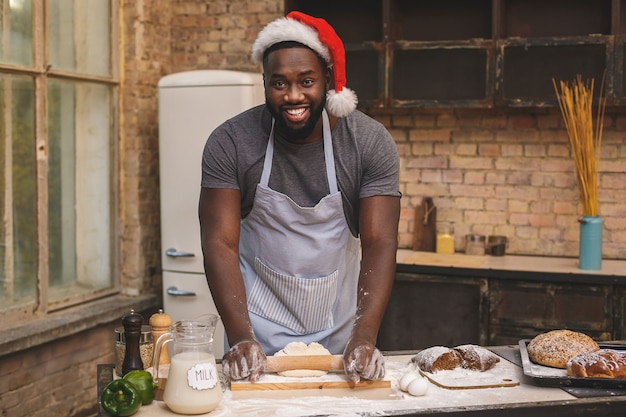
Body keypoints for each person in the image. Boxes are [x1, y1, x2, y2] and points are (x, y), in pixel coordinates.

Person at [199, 11, 401, 384]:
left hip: (340, 340)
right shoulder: (231, 142)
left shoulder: (368, 142)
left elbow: (380, 242)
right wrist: (241, 336)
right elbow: (219, 244)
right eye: (279, 83)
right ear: (264, 83)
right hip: (254, 339)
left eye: (306, 81)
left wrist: (365, 336)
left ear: (327, 79)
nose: (293, 96)